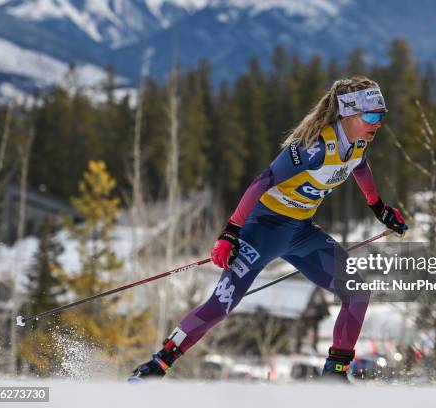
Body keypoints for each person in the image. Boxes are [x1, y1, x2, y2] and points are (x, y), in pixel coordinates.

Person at [129, 76, 408, 382]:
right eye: (370, 116)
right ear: (347, 113)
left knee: (356, 292)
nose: (377, 123)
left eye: (381, 116)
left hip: (301, 233)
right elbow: (263, 181)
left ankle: (334, 374)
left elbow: (360, 167)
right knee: (222, 304)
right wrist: (230, 232)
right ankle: (157, 365)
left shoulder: (358, 143)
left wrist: (379, 208)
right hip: (262, 231)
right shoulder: (314, 147)